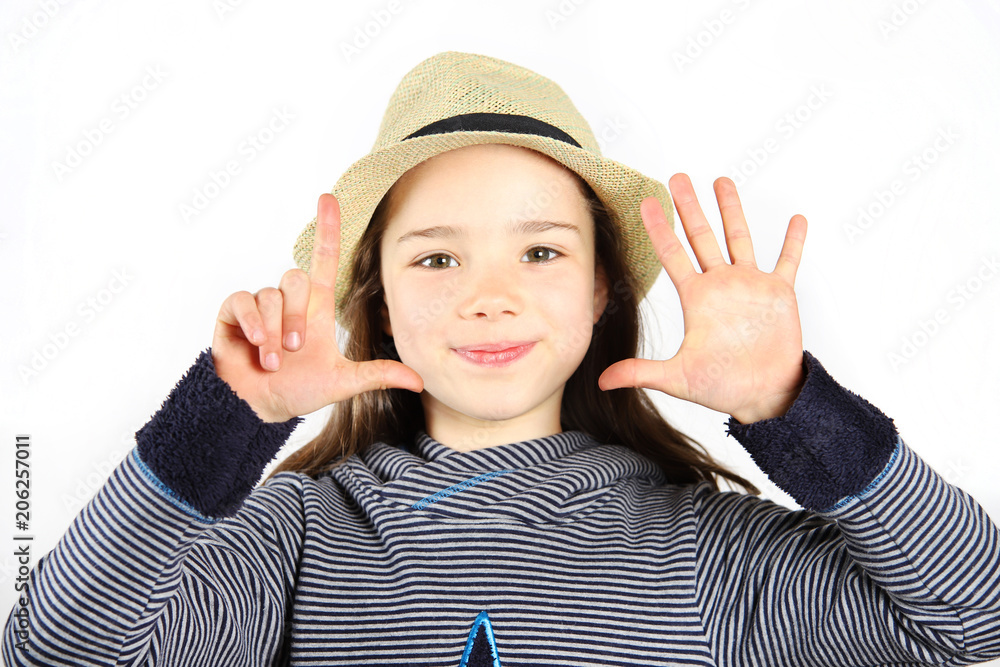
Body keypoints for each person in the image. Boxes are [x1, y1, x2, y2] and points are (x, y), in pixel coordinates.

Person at [4, 51, 999, 667]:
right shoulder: (299, 538)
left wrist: (792, 406)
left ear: (600, 290)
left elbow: (975, 619)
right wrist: (227, 417)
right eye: (437, 257)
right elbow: (56, 651)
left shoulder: (702, 552)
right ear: (379, 302)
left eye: (541, 252)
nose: (490, 295)